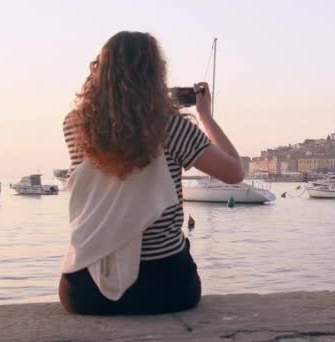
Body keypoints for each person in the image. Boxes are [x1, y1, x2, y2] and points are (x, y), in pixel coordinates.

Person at [58, 31, 244, 315]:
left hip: (85, 291)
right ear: (156, 75)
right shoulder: (171, 127)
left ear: (100, 72)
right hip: (165, 287)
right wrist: (205, 116)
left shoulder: (75, 126)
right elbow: (235, 172)